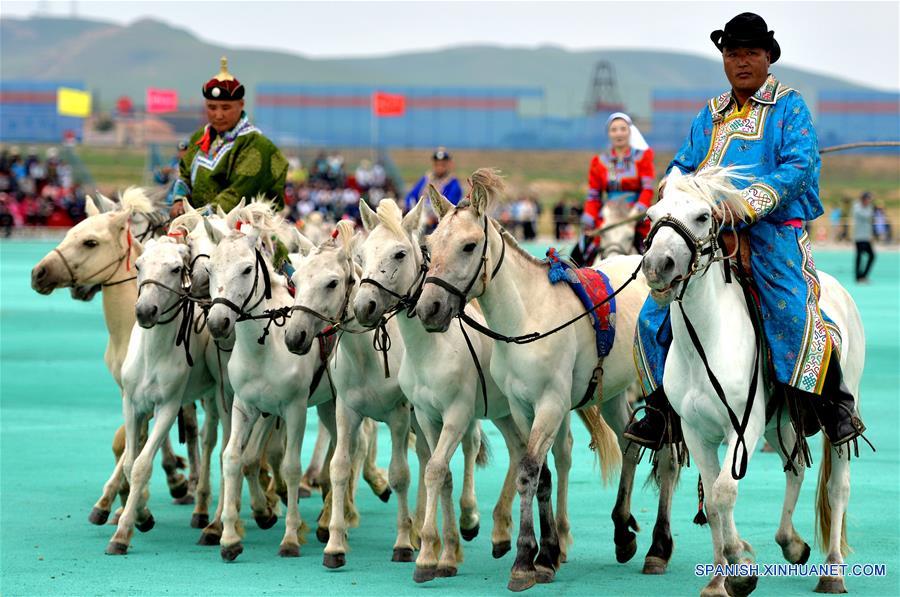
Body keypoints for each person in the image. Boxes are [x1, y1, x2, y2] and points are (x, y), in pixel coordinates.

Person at [626, 12, 866, 450]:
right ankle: (660, 407)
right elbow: (682, 163)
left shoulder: (789, 106)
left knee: (793, 311)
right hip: (708, 231)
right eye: (733, 53)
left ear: (768, 57)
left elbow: (798, 167)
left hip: (772, 233)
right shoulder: (710, 114)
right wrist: (676, 191)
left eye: (751, 53)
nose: (741, 61)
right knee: (654, 311)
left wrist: (741, 205)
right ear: (723, 59)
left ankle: (832, 402)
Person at [170, 57, 288, 217]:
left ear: (241, 104)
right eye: (211, 107)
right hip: (195, 223)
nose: (218, 115)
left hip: (243, 229)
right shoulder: (200, 136)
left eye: (226, 108)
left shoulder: (257, 145)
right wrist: (179, 200)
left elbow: (238, 194)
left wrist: (197, 217)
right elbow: (185, 173)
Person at [574, 112, 655, 266]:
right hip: (608, 213)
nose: (619, 133)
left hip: (635, 214)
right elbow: (593, 196)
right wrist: (589, 218)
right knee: (584, 247)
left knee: (651, 247)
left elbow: (647, 188)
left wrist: (638, 210)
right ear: (609, 134)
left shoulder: (643, 157)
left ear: (630, 131)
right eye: (614, 129)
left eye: (623, 129)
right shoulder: (599, 162)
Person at [404, 147, 463, 212]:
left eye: (442, 164)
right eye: (437, 164)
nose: (439, 167)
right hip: (420, 213)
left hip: (438, 218)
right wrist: (411, 207)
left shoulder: (453, 183)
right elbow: (411, 196)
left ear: (448, 164)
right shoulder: (426, 178)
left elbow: (450, 206)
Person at [853, 192, 876, 283]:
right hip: (859, 236)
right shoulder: (857, 207)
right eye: (868, 199)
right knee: (859, 256)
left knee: (871, 255)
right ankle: (858, 276)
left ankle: (863, 275)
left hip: (866, 236)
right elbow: (866, 216)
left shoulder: (868, 208)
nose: (869, 201)